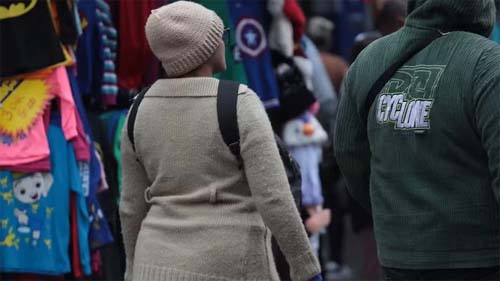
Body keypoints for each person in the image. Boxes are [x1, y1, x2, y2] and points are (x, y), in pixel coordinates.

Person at [118, 2, 322, 281]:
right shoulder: (239, 102)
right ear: (205, 48)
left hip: (153, 264)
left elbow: (131, 206)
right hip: (232, 265)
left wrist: (132, 268)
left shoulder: (137, 111)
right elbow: (274, 197)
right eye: (220, 35)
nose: (225, 42)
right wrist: (305, 266)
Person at [335, 0, 500, 280]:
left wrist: (399, 212)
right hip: (479, 258)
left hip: (398, 257)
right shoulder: (488, 64)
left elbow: (350, 156)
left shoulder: (369, 59)